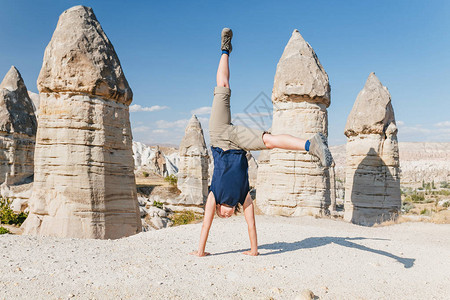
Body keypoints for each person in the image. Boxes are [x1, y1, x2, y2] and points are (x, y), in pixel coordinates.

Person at [190, 28, 334, 257]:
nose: (225, 216)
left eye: (221, 214)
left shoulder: (213, 194)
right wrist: (254, 251)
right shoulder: (243, 195)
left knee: (223, 89)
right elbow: (251, 224)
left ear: (217, 208)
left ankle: (225, 49)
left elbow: (206, 224)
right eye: (227, 215)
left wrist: (200, 252)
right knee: (270, 141)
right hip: (238, 144)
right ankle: (311, 145)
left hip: (219, 137)